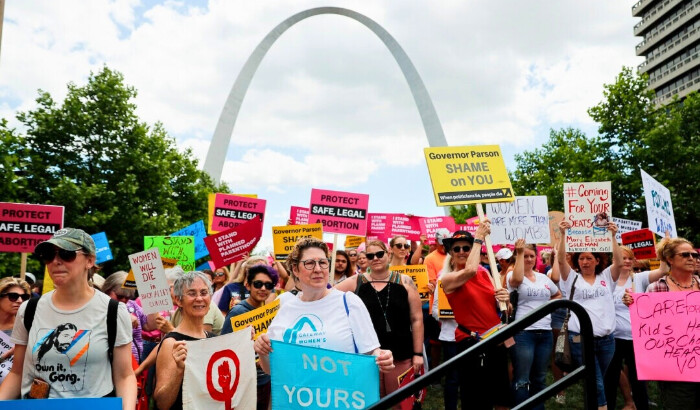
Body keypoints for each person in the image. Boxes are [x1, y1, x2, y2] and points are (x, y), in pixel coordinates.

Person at [0, 228, 136, 406]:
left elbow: (125, 376)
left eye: (66, 254)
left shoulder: (114, 311)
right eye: (49, 254)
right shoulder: (29, 309)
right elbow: (17, 372)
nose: (56, 261)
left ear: (90, 261)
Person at [254, 237, 394, 376]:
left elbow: (371, 352)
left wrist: (382, 356)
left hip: (341, 395)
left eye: (323, 262)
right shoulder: (283, 303)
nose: (318, 269)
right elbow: (271, 369)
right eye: (309, 263)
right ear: (295, 269)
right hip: (296, 395)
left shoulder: (349, 302)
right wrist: (262, 351)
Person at [336, 240, 424, 399]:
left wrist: (417, 354)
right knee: (371, 401)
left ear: (388, 254)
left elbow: (417, 319)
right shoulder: (356, 282)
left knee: (400, 401)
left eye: (379, 254)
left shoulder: (405, 281)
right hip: (368, 356)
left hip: (401, 353)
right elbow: (325, 296)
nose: (375, 258)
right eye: (370, 255)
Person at [440, 224, 511, 409]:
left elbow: (501, 308)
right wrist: (478, 236)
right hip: (472, 342)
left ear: (473, 250)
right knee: (476, 400)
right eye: (457, 249)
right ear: (451, 253)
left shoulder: (485, 272)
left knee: (502, 397)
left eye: (466, 248)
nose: (462, 251)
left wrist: (506, 301)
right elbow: (469, 271)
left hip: (496, 340)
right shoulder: (447, 278)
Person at [626, 237, 700, 409]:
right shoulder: (656, 288)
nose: (692, 258)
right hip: (675, 369)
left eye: (694, 255)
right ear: (670, 259)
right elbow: (645, 326)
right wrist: (632, 303)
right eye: (685, 255)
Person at [556, 220, 622, 410]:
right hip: (581, 339)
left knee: (596, 380)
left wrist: (613, 237)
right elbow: (561, 261)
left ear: (598, 260)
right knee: (596, 381)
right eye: (581, 258)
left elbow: (618, 261)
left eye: (589, 258)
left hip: (607, 340)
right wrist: (563, 235)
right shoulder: (571, 278)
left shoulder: (606, 277)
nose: (584, 262)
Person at [604, 246, 667, 410]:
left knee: (638, 378)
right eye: (622, 258)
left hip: (636, 337)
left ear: (633, 261)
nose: (625, 261)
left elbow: (664, 269)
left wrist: (665, 241)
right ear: (614, 260)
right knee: (611, 377)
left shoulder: (639, 278)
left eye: (629, 258)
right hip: (613, 336)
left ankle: (641, 406)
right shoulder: (606, 278)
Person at [507, 239, 561, 409]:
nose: (529, 259)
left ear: (536, 257)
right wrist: (520, 252)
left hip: (544, 333)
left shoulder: (543, 277)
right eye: (525, 256)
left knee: (539, 376)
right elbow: (515, 281)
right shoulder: (512, 275)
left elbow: (557, 294)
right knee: (523, 378)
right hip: (524, 333)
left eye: (531, 256)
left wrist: (545, 309)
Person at [221, 264, 279, 410]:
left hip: (264, 379)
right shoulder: (238, 312)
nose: (263, 289)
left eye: (268, 285)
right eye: (258, 284)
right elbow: (224, 348)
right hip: (245, 383)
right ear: (248, 285)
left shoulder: (269, 312)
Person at [154, 271, 214, 410]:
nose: (199, 298)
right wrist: (179, 371)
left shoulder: (213, 339)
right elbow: (162, 403)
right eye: (192, 293)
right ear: (178, 300)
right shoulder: (172, 343)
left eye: (204, 293)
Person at [101, 271, 153, 363]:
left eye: (128, 297)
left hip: (135, 364)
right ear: (108, 290)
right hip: (111, 365)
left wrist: (153, 295)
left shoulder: (133, 306)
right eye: (120, 296)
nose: (124, 300)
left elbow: (150, 326)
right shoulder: (100, 305)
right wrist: (122, 315)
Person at [0, 278, 31, 367]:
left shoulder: (27, 330)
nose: (20, 301)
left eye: (24, 297)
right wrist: (5, 356)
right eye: (13, 296)